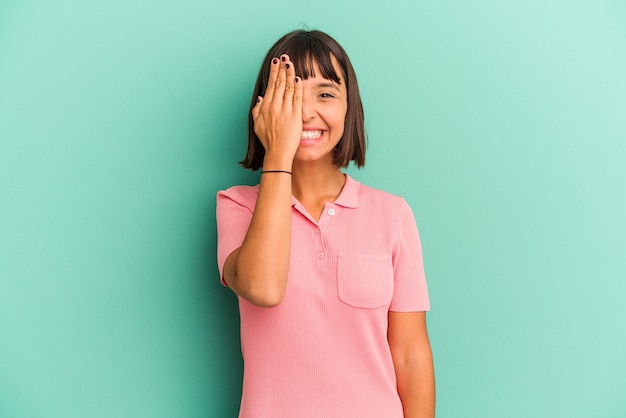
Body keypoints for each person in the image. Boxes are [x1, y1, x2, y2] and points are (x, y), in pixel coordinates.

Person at [216, 29, 435, 418]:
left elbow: (410, 356)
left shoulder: (392, 214)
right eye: (289, 95)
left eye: (326, 94)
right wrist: (278, 154)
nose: (305, 112)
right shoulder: (237, 206)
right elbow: (262, 288)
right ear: (263, 110)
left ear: (350, 108)